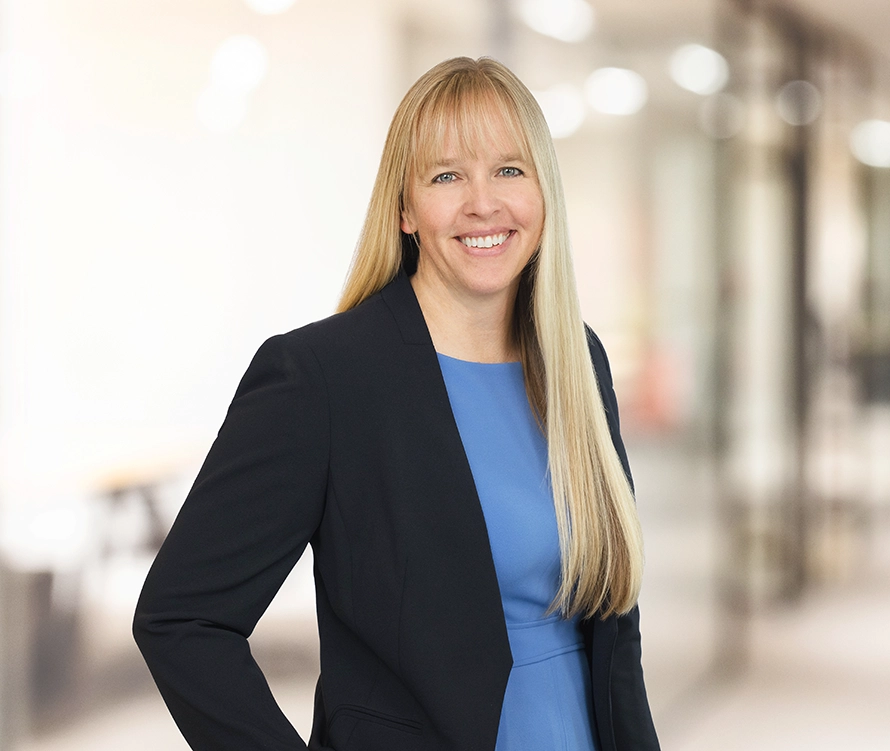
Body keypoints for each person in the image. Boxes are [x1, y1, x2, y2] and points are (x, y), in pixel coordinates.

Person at [131, 56, 659, 751]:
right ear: (406, 207)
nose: (483, 203)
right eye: (447, 175)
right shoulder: (323, 378)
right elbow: (181, 618)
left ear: (543, 192)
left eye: (510, 169)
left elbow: (615, 634)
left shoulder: (576, 359)